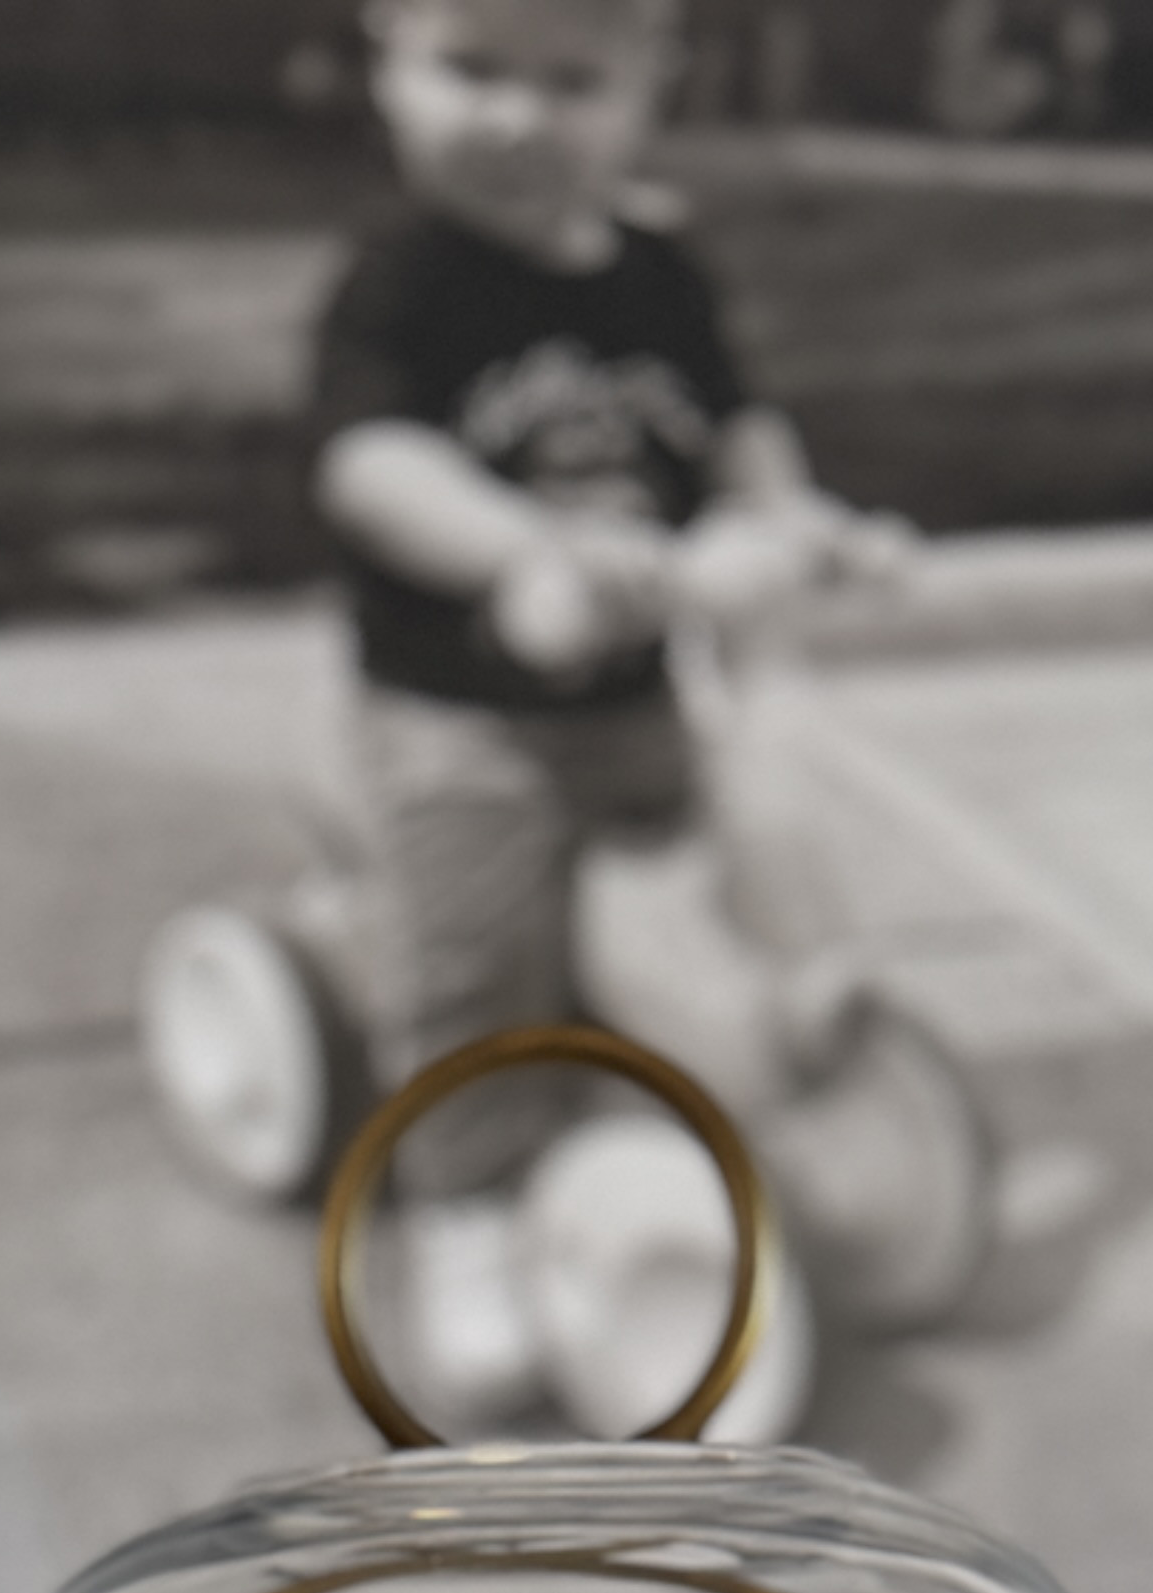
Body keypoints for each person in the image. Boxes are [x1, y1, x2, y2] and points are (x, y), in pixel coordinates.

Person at [312, 0, 899, 1421]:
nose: (518, 117)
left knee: (685, 904)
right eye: (471, 70)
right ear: (386, 61)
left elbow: (734, 424)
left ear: (652, 86)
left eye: (572, 80)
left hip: (637, 701)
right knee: (475, 965)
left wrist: (790, 518)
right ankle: (465, 1207)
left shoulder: (659, 272)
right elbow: (373, 465)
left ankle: (744, 1057)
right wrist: (521, 549)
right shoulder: (403, 281)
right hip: (466, 718)